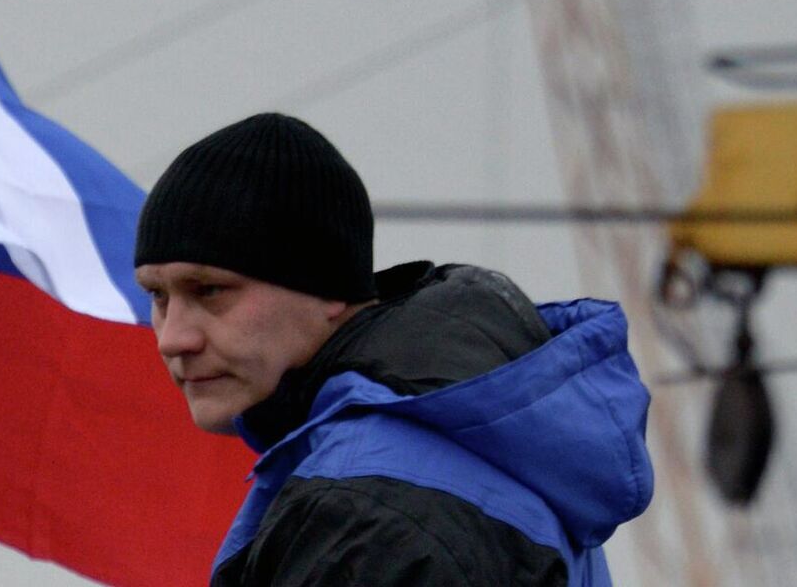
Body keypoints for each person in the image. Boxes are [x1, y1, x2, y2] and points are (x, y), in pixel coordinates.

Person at [134, 113, 652, 587]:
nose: (173, 337)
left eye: (210, 290)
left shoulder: (367, 510)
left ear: (325, 287)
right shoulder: (477, 450)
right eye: (158, 296)